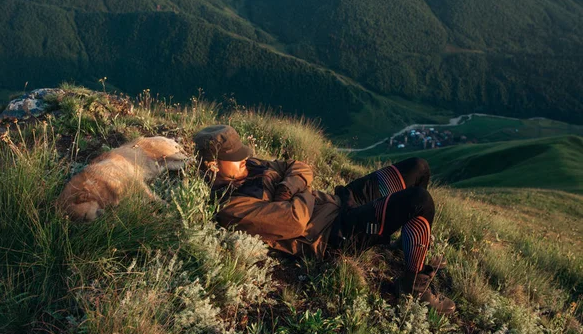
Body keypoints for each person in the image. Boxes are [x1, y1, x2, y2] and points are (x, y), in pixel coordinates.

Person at [193, 125, 455, 315]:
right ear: (213, 164)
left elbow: (300, 166)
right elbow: (294, 221)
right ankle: (413, 289)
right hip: (335, 233)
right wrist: (302, 191)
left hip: (341, 199)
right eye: (234, 157)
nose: (244, 158)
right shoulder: (233, 204)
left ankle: (404, 245)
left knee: (418, 167)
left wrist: (288, 189)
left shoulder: (251, 166)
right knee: (419, 200)